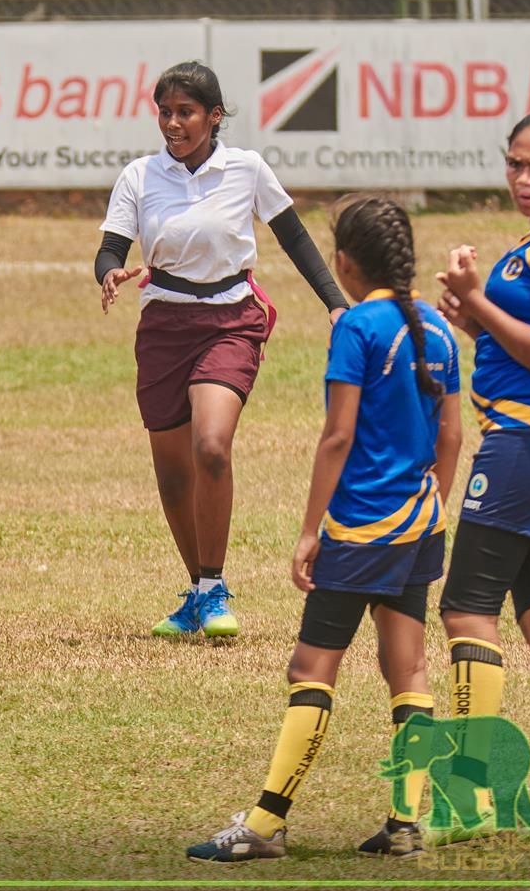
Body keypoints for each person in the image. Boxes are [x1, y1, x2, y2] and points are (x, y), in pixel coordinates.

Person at [186, 195, 460, 862]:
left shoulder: (357, 327)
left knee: (311, 668)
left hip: (363, 527)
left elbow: (338, 436)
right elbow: (452, 433)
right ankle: (404, 824)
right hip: (420, 525)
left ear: (344, 260)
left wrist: (311, 531)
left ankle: (264, 824)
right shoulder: (440, 327)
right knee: (409, 670)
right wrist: (432, 505)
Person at [95, 61, 348, 640]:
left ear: (214, 116)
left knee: (211, 444)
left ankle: (213, 588)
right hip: (162, 326)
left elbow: (294, 237)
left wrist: (335, 304)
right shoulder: (140, 175)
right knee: (173, 474)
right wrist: (109, 273)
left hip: (231, 320)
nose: (173, 123)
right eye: (165, 112)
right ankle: (200, 590)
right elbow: (109, 249)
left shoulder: (247, 169)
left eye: (185, 112)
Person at [434, 107, 530, 846]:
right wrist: (472, 315)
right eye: (514, 164)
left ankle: (470, 797)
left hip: (528, 443)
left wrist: (480, 301)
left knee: (466, 610)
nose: (524, 179)